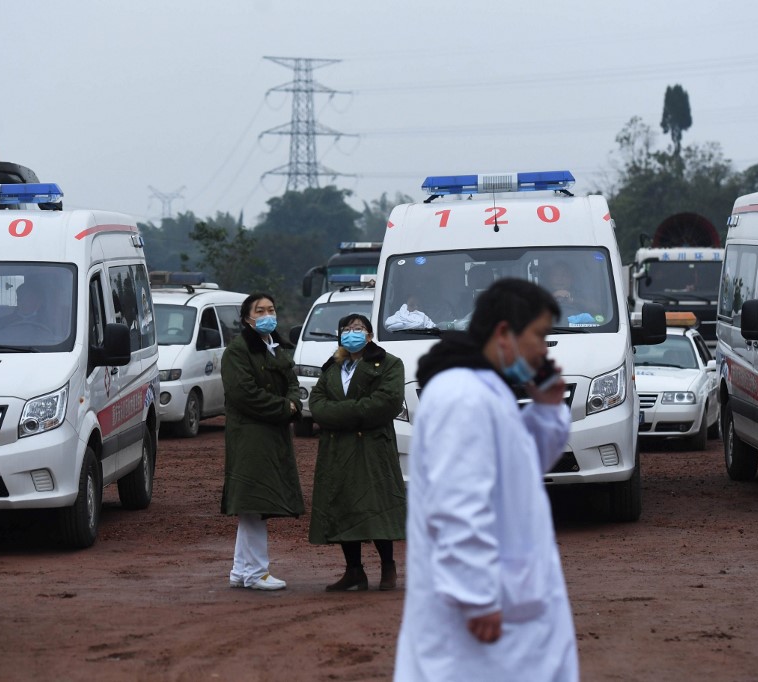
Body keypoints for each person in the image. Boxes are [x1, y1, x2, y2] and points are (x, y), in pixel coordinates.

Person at [394, 278, 578, 681]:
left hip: (511, 603)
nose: (545, 350)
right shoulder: (462, 395)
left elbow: (525, 471)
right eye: (541, 336)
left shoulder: (489, 390)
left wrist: (548, 409)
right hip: (481, 614)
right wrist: (476, 596)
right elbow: (457, 505)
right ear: (503, 333)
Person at [308, 313, 406, 592]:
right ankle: (354, 572)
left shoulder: (389, 364)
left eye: (358, 328)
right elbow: (317, 404)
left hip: (372, 448)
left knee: (376, 505)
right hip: (338, 449)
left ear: (370, 335)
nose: (352, 332)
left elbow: (387, 403)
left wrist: (339, 414)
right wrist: (351, 412)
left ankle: (388, 568)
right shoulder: (332, 367)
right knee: (343, 506)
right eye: (347, 328)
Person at [220, 293, 304, 591]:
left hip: (272, 434)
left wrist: (293, 403)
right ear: (247, 318)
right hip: (251, 437)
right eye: (260, 310)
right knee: (254, 501)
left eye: (271, 308)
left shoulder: (276, 348)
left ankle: (241, 570)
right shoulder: (237, 351)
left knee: (251, 504)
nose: (267, 314)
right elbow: (244, 394)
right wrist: (285, 408)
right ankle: (257, 572)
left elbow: (292, 383)